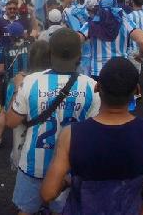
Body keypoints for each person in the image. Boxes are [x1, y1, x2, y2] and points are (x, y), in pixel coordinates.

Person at [41, 57, 143, 214]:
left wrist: (68, 182)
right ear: (137, 90)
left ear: (97, 87)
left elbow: (48, 193)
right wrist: (141, 192)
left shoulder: (72, 135)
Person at [6, 28, 101, 215]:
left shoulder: (31, 81)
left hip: (34, 164)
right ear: (79, 55)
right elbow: (95, 131)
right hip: (70, 168)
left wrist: (18, 87)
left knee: (26, 211)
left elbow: (11, 121)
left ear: (50, 53)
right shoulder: (92, 86)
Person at [0, 21, 30, 147]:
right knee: (28, 110)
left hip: (12, 83)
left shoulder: (4, 49)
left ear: (11, 35)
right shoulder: (30, 45)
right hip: (28, 82)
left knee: (4, 111)